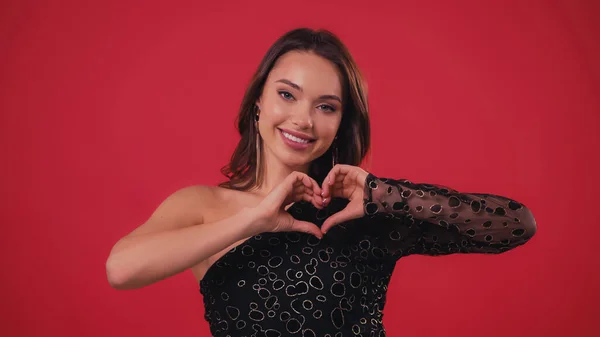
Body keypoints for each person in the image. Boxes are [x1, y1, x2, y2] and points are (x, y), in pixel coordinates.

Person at [105, 27, 537, 337]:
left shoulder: (361, 211)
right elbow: (121, 269)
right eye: (287, 94)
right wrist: (253, 219)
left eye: (326, 106)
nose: (303, 119)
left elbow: (515, 225)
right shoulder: (202, 205)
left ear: (341, 122)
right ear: (259, 100)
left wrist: (381, 194)